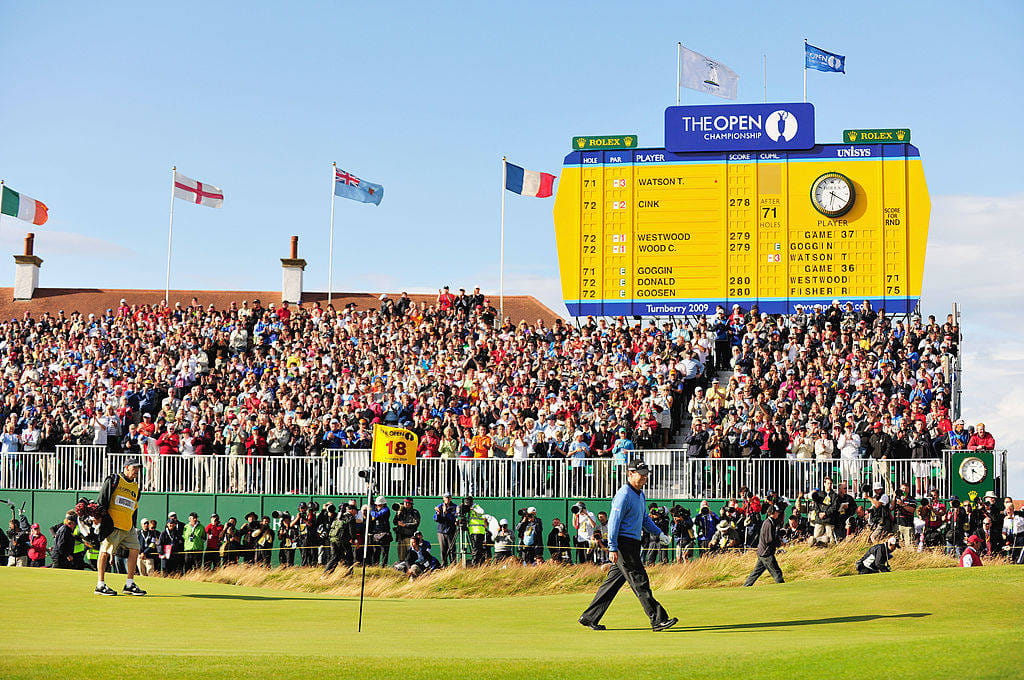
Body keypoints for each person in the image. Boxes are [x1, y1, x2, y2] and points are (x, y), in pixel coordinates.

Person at [578, 460, 677, 632]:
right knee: (640, 581)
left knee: (612, 583)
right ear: (630, 473)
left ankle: (589, 617)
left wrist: (659, 534)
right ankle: (658, 619)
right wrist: (613, 547)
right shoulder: (623, 494)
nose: (644, 477)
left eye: (646, 474)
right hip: (624, 544)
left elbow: (645, 519)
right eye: (641, 474)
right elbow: (614, 523)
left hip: (632, 543)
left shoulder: (640, 494)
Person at [95, 459, 147, 595]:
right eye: (134, 468)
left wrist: (134, 526)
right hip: (113, 525)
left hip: (128, 526)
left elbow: (134, 508)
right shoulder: (114, 479)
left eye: (138, 468)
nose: (137, 470)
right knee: (105, 552)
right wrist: (100, 520)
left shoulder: (136, 487)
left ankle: (129, 584)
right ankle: (100, 585)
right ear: (126, 467)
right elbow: (102, 500)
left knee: (135, 549)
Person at [743, 503, 785, 586]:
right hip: (766, 553)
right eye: (777, 512)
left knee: (756, 573)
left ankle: (746, 586)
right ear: (773, 512)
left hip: (763, 552)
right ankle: (782, 588)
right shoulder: (768, 523)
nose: (778, 513)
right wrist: (779, 542)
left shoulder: (770, 522)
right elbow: (769, 540)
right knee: (777, 573)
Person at [393, 497, 420, 564]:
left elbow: (416, 523)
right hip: (401, 536)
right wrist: (397, 514)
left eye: (408, 503)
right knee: (401, 556)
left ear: (411, 504)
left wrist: (405, 525)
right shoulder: (400, 511)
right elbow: (394, 522)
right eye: (405, 503)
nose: (406, 504)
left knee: (410, 555)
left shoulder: (414, 512)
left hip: (410, 537)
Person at [433, 493, 458, 567]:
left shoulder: (455, 507)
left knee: (452, 550)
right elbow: (435, 519)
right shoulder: (440, 506)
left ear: (451, 498)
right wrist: (438, 513)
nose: (447, 499)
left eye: (448, 498)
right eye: (445, 498)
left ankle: (453, 565)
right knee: (443, 550)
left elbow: (453, 518)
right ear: (443, 498)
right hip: (441, 531)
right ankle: (444, 565)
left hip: (451, 531)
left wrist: (446, 513)